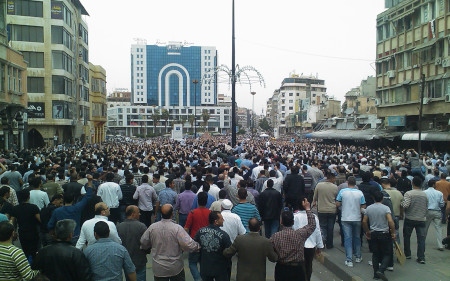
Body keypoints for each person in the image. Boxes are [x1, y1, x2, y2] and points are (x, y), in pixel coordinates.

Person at [140, 203, 201, 280]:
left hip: (159, 268)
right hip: (175, 267)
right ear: (172, 214)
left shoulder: (152, 228)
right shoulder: (177, 228)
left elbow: (143, 241)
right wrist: (198, 246)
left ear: (161, 214)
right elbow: (188, 244)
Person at [270, 198, 316, 281]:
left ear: (281, 222)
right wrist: (308, 209)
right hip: (297, 268)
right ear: (293, 222)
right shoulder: (300, 234)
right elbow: (312, 225)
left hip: (282, 268)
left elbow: (271, 253)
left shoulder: (275, 237)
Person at [362, 191, 396, 281]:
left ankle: (375, 274)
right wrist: (393, 232)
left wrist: (367, 231)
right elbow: (390, 221)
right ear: (382, 198)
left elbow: (364, 221)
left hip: (373, 234)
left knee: (375, 254)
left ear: (373, 198)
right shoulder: (386, 208)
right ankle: (381, 270)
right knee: (387, 253)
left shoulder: (369, 208)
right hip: (384, 234)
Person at [336, 176, 366, 267]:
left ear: (347, 183)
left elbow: (337, 203)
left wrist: (342, 205)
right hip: (357, 218)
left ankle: (349, 260)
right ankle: (358, 256)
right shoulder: (360, 193)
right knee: (357, 237)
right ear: (355, 183)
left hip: (345, 218)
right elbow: (363, 205)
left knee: (348, 238)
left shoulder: (342, 192)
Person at [194, 211, 232, 281]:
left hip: (205, 267)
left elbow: (194, 245)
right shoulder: (224, 235)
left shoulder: (200, 232)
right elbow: (229, 252)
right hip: (220, 269)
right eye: (221, 219)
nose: (223, 220)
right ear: (216, 221)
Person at [293, 198, 324, 281]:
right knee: (308, 266)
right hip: (310, 247)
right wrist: (319, 246)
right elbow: (318, 232)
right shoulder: (314, 217)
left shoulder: (295, 217)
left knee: (298, 267)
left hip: (298, 246)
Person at [401, 176, 428, 264]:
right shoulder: (424, 194)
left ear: (412, 183)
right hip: (421, 219)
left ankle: (407, 254)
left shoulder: (409, 193)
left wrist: (401, 203)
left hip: (410, 218)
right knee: (421, 239)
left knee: (407, 237)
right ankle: (421, 257)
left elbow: (406, 205)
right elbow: (427, 206)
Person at [184, 192, 210, 281]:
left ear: (198, 201)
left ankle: (198, 279)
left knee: (192, 262)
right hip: (207, 241)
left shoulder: (192, 213)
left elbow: (186, 228)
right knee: (204, 263)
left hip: (194, 241)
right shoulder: (210, 213)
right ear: (206, 202)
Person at [117, 205, 148, 281]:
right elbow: (147, 243)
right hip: (140, 260)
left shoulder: (119, 227)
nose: (140, 214)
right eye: (138, 212)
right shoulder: (141, 226)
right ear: (133, 214)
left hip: (126, 261)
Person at [10, 189, 41, 262]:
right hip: (33, 232)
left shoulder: (15, 208)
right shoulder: (33, 207)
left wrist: (14, 231)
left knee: (25, 250)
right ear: (28, 197)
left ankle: (26, 264)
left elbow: (11, 221)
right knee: (34, 250)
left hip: (22, 232)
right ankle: (34, 265)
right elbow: (40, 219)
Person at [312, 170, 338, 249]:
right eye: (334, 178)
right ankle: (329, 244)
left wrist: (314, 203)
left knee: (322, 227)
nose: (335, 180)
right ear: (332, 178)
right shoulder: (335, 187)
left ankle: (322, 243)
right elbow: (337, 199)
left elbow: (315, 197)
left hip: (321, 209)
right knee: (330, 228)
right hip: (332, 210)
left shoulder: (319, 185)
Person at [423, 179, 445, 251]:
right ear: (433, 184)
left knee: (425, 228)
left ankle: (422, 242)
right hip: (437, 211)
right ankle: (440, 245)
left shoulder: (424, 192)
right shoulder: (439, 193)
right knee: (438, 228)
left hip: (428, 211)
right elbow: (442, 204)